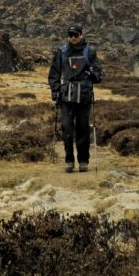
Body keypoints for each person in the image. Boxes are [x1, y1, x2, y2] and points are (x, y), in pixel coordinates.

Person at [48, 24, 103, 173]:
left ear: (81, 35)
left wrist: (93, 74)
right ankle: (69, 161)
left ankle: (83, 161)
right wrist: (55, 92)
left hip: (84, 96)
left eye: (76, 35)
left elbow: (99, 75)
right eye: (70, 35)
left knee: (83, 129)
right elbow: (54, 74)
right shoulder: (62, 52)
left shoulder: (89, 52)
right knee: (66, 128)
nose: (73, 38)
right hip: (66, 97)